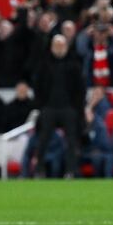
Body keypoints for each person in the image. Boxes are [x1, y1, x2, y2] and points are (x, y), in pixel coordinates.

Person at [33, 34, 86, 178]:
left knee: (71, 141)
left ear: (67, 47)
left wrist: (76, 109)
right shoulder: (44, 65)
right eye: (56, 45)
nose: (59, 48)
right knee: (43, 140)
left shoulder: (74, 65)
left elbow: (80, 89)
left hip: (68, 109)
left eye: (62, 45)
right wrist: (41, 106)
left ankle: (71, 171)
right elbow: (37, 86)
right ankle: (39, 170)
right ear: (51, 47)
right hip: (49, 108)